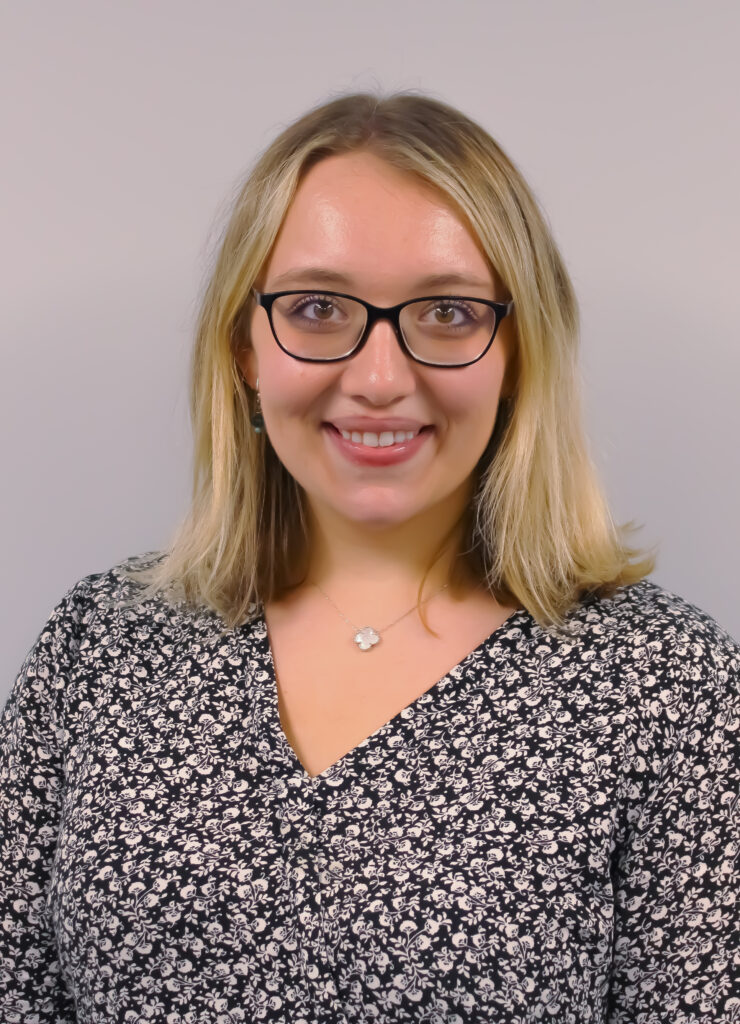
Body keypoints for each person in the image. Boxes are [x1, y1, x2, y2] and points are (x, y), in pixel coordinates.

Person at [1, 92, 738, 1024]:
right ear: (244, 346)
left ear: (519, 350)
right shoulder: (102, 645)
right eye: (315, 307)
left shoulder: (667, 688)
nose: (382, 377)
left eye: (448, 312)